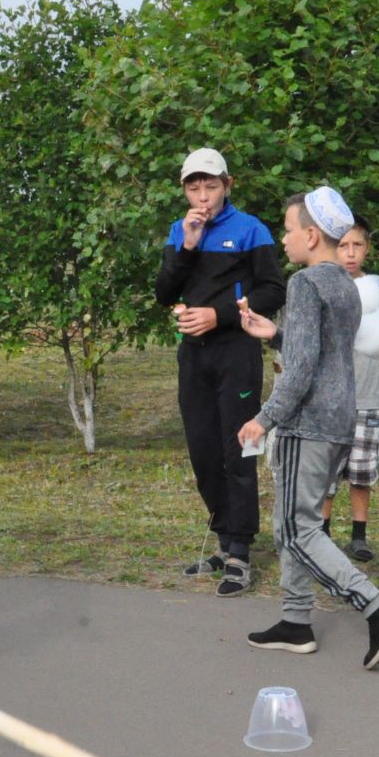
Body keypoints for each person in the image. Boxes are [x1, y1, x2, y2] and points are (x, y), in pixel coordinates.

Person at [235, 188, 379, 670]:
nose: (283, 238)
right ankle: (295, 622)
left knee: (297, 528)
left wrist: (263, 417)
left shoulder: (305, 283)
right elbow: (326, 349)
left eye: (288, 230)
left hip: (307, 420)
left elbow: (303, 368)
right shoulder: (345, 286)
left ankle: (377, 610)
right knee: (296, 520)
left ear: (311, 236)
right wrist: (278, 333)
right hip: (340, 418)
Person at [154, 147, 286, 598]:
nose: (203, 194)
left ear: (227, 185)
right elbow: (163, 292)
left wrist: (219, 314)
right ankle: (224, 536)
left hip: (237, 351)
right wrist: (187, 247)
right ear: (185, 189)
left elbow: (272, 290)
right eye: (194, 186)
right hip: (193, 355)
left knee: (240, 447)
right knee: (204, 450)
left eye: (211, 185)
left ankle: (240, 552)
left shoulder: (251, 229)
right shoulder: (181, 230)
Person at [322, 220, 379, 562]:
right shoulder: (321, 283)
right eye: (343, 246)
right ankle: (320, 534)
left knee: (361, 469)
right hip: (329, 397)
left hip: (368, 396)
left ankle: (359, 535)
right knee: (326, 471)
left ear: (368, 248)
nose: (350, 253)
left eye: (357, 245)